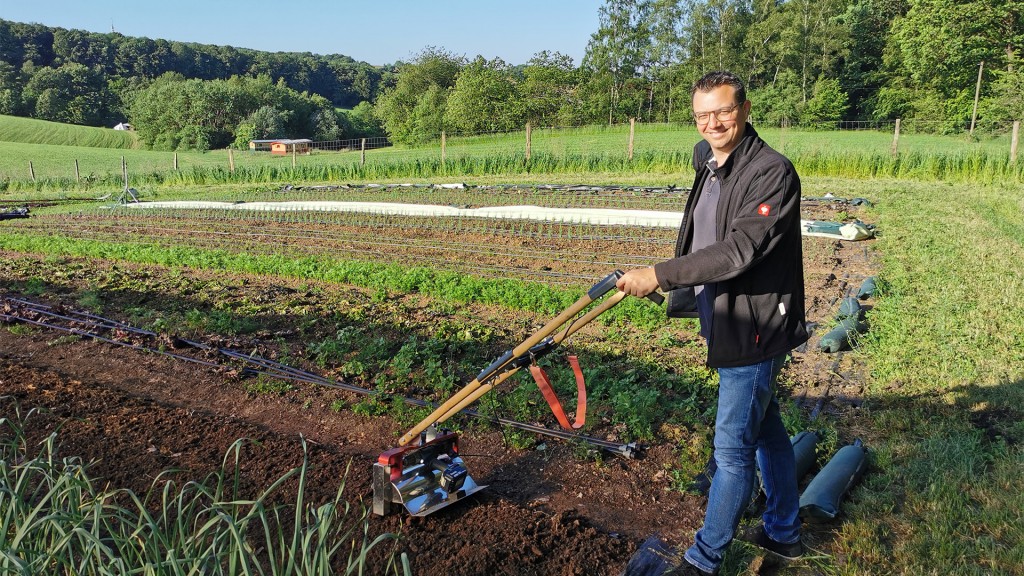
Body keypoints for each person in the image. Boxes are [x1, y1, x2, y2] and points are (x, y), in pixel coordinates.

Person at [616, 70, 808, 575]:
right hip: (722, 314)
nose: (712, 123)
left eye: (723, 111)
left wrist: (659, 274)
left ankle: (704, 559)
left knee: (732, 451)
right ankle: (784, 531)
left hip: (754, 324)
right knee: (766, 430)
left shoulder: (773, 172)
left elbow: (740, 250)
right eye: (702, 115)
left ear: (745, 108)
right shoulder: (709, 159)